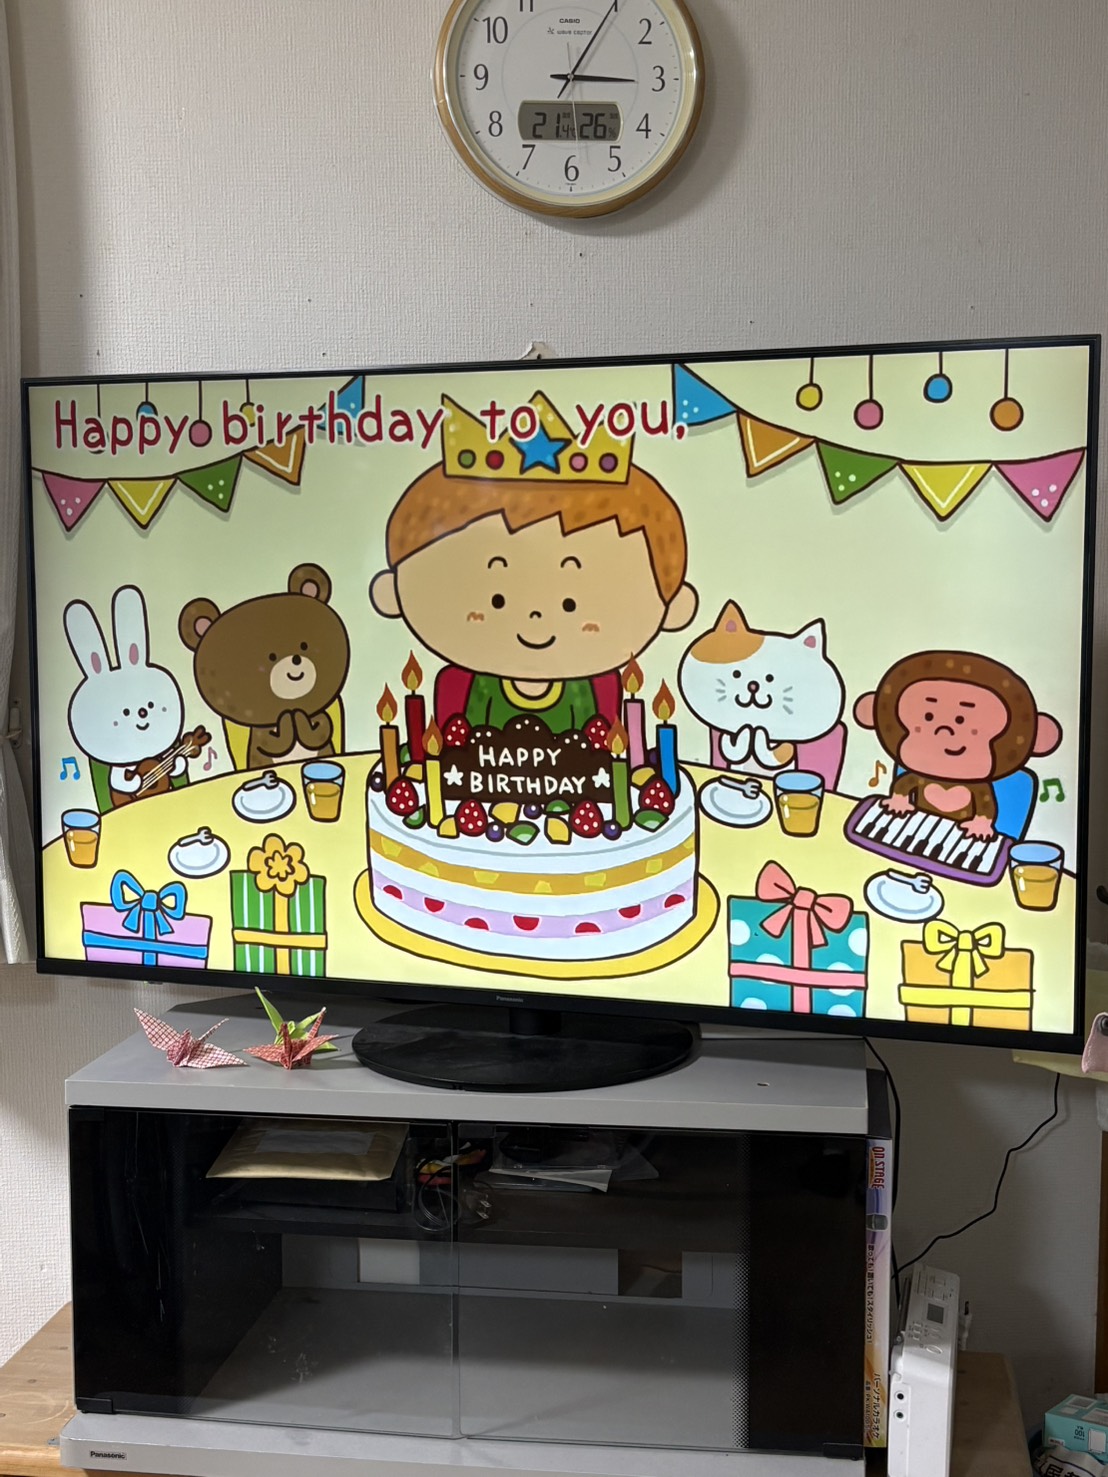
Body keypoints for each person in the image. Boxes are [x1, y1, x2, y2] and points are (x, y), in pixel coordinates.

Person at [370, 457, 698, 734]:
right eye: (497, 599)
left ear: (673, 606)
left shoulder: (600, 689)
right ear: (393, 592)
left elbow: (611, 756)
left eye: (569, 604)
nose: (534, 616)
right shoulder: (460, 686)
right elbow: (442, 754)